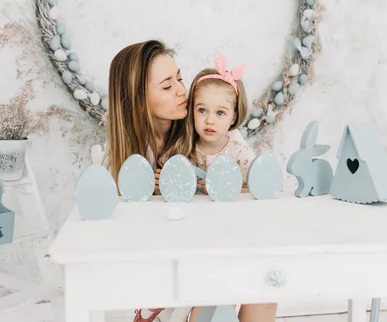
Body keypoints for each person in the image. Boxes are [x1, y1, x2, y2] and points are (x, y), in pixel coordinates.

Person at [104, 40, 277, 322]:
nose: (182, 90)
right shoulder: (132, 161)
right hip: (171, 264)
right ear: (138, 98)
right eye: (167, 85)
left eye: (180, 78)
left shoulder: (203, 136)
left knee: (261, 287)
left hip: (215, 247)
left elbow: (244, 184)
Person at [185, 51, 255, 193]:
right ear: (192, 110)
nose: (210, 120)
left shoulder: (238, 153)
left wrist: (225, 187)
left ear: (233, 117)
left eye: (220, 113)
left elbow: (257, 189)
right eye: (202, 110)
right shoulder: (185, 147)